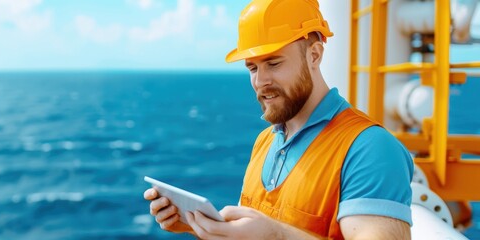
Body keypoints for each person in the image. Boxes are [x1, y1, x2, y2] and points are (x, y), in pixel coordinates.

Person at [144, 0, 414, 239]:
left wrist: (277, 236)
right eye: (252, 67)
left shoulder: (370, 148)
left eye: (274, 63)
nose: (261, 81)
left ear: (314, 55)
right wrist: (196, 226)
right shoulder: (265, 142)